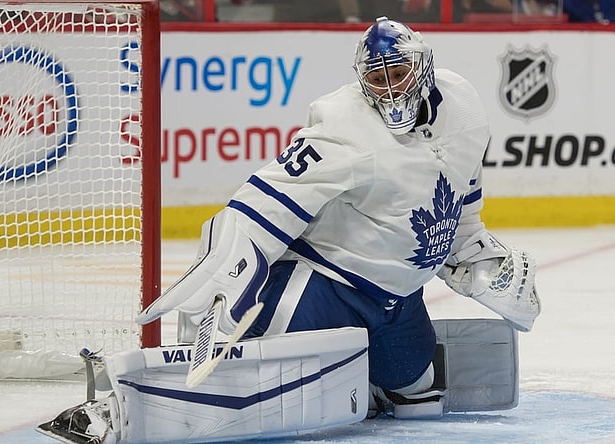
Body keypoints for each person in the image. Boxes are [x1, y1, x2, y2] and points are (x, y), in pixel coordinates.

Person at [38, 17, 541, 444]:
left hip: (399, 298)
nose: (388, 87)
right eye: (377, 77)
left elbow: (460, 196)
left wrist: (476, 256)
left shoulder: (464, 104)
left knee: (420, 399)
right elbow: (267, 198)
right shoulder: (347, 124)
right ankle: (120, 412)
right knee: (257, 388)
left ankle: (361, 380)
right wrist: (231, 262)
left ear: (424, 66)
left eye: (398, 72)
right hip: (326, 284)